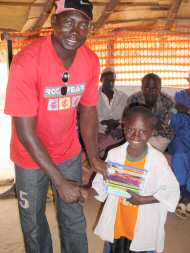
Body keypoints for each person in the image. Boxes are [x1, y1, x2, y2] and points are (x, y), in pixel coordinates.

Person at [4, 1, 106, 252]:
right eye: (69, 22)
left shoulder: (90, 61)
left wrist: (93, 157)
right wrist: (60, 181)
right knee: (34, 224)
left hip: (67, 151)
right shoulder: (26, 61)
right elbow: (25, 132)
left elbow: (89, 110)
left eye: (83, 25)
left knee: (73, 217)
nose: (75, 32)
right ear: (54, 22)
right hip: (29, 157)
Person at [92, 105, 180, 253]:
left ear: (151, 132)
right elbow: (100, 185)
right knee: (115, 248)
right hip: (119, 221)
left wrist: (143, 200)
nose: (135, 135)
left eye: (143, 131)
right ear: (124, 127)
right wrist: (103, 180)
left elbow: (172, 191)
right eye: (131, 129)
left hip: (144, 223)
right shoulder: (114, 154)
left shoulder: (158, 160)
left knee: (142, 246)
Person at [127, 73, 174, 152]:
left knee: (147, 152)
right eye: (147, 88)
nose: (150, 92)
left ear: (160, 88)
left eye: (154, 88)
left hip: (160, 136)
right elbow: (130, 122)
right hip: (139, 133)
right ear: (142, 87)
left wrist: (157, 125)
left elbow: (168, 127)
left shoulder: (168, 101)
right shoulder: (133, 100)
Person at [168, 77, 190, 219]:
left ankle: (186, 197)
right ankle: (184, 194)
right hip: (181, 135)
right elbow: (172, 118)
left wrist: (186, 110)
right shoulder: (180, 95)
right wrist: (179, 112)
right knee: (180, 154)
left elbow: (182, 110)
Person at [97, 68, 127, 159]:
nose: (110, 83)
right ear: (101, 79)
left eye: (112, 80)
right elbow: (90, 115)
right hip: (99, 130)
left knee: (119, 137)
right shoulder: (92, 96)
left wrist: (116, 124)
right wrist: (106, 122)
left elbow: (127, 116)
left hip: (117, 131)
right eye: (107, 80)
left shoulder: (123, 97)